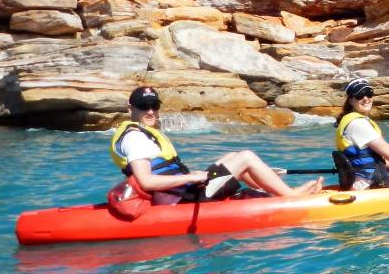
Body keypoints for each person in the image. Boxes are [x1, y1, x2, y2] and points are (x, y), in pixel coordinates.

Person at [110, 86, 321, 204]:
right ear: (130, 108)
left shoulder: (143, 133)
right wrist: (193, 177)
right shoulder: (135, 138)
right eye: (143, 106)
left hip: (183, 192)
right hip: (180, 200)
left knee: (233, 156)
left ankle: (274, 189)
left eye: (154, 106)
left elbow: (167, 173)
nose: (150, 111)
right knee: (246, 156)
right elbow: (146, 181)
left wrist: (262, 172)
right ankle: (291, 198)